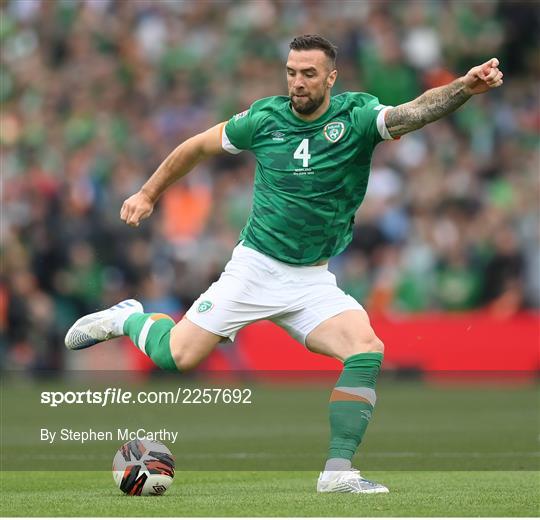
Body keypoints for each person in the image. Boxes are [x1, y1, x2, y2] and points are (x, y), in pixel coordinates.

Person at [65, 35, 503, 493]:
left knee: (366, 349)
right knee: (177, 355)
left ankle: (337, 473)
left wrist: (463, 88)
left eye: (309, 74)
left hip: (311, 278)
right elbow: (194, 147)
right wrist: (148, 193)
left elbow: (414, 111)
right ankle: (128, 318)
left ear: (331, 77)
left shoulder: (355, 117)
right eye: (291, 72)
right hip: (255, 268)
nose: (297, 82)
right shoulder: (263, 118)